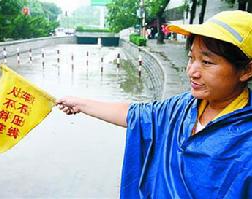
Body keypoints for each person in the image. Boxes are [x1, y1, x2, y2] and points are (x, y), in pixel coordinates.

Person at [57, 10, 252, 198]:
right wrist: (80, 103)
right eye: (191, 58)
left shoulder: (246, 142)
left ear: (246, 70)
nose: (192, 71)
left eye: (207, 62)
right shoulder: (182, 107)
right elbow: (136, 114)